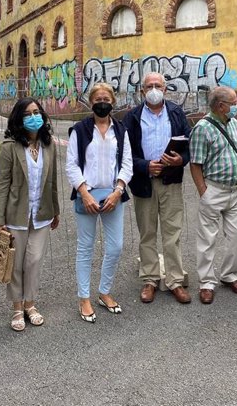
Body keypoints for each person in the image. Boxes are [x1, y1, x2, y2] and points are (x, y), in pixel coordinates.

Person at [122, 72, 192, 304]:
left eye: (158, 85)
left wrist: (180, 160)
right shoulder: (131, 117)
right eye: (149, 86)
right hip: (144, 182)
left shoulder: (176, 113)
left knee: (173, 233)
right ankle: (150, 279)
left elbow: (189, 145)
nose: (154, 89)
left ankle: (174, 281)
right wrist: (144, 166)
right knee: (147, 233)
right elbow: (124, 153)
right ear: (142, 91)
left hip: (171, 181)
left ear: (165, 89)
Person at [0, 97, 60, 331]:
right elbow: (1, 184)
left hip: (42, 214)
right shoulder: (10, 146)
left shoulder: (48, 144)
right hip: (16, 215)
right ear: (19, 119)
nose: (34, 117)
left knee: (34, 260)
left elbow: (52, 181)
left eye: (37, 112)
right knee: (16, 263)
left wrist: (56, 210)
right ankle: (18, 308)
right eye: (28, 113)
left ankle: (31, 304)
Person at [65, 82, 132, 323]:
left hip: (114, 194)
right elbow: (71, 164)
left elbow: (127, 163)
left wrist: (118, 190)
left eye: (106, 98)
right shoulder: (79, 130)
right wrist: (84, 192)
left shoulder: (121, 130)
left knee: (115, 247)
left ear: (113, 102)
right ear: (90, 102)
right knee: (86, 248)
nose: (102, 102)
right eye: (97, 99)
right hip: (88, 195)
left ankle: (104, 291)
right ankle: (84, 297)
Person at [189, 87, 237, 304]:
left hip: (236, 189)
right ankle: (207, 283)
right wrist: (204, 193)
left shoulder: (234, 124)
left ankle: (229, 275)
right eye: (233, 102)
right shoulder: (202, 129)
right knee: (207, 238)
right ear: (220, 106)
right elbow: (196, 165)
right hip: (213, 190)